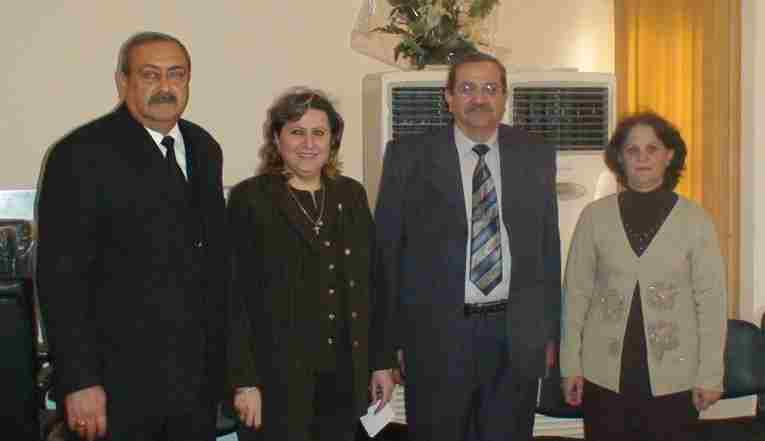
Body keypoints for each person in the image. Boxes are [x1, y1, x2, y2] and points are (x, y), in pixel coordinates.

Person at [36, 31, 227, 441]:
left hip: (196, 385)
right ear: (123, 81)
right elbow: (61, 279)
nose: (165, 86)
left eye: (176, 74)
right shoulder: (80, 154)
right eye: (150, 74)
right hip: (116, 387)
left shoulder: (204, 148)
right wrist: (80, 381)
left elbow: (212, 262)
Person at [369, 52, 561, 441]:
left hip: (515, 336)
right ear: (449, 97)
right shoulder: (408, 155)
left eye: (490, 88)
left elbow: (547, 249)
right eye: (468, 88)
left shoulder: (535, 153)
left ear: (504, 97)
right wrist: (387, 347)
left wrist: (549, 332)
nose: (479, 98)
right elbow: (386, 256)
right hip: (436, 337)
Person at [560, 112, 727, 441]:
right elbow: (575, 295)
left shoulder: (696, 221)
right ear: (620, 158)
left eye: (652, 149)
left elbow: (712, 303)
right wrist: (570, 366)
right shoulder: (594, 218)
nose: (642, 158)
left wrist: (711, 374)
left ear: (669, 155)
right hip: (604, 375)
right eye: (632, 150)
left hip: (675, 375)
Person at [227, 87, 374, 441]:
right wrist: (243, 381)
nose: (308, 143)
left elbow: (373, 284)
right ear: (277, 139)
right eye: (296, 132)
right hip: (275, 383)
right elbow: (232, 296)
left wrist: (380, 363)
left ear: (332, 140)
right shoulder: (250, 198)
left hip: (344, 380)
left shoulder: (352, 195)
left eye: (318, 133)